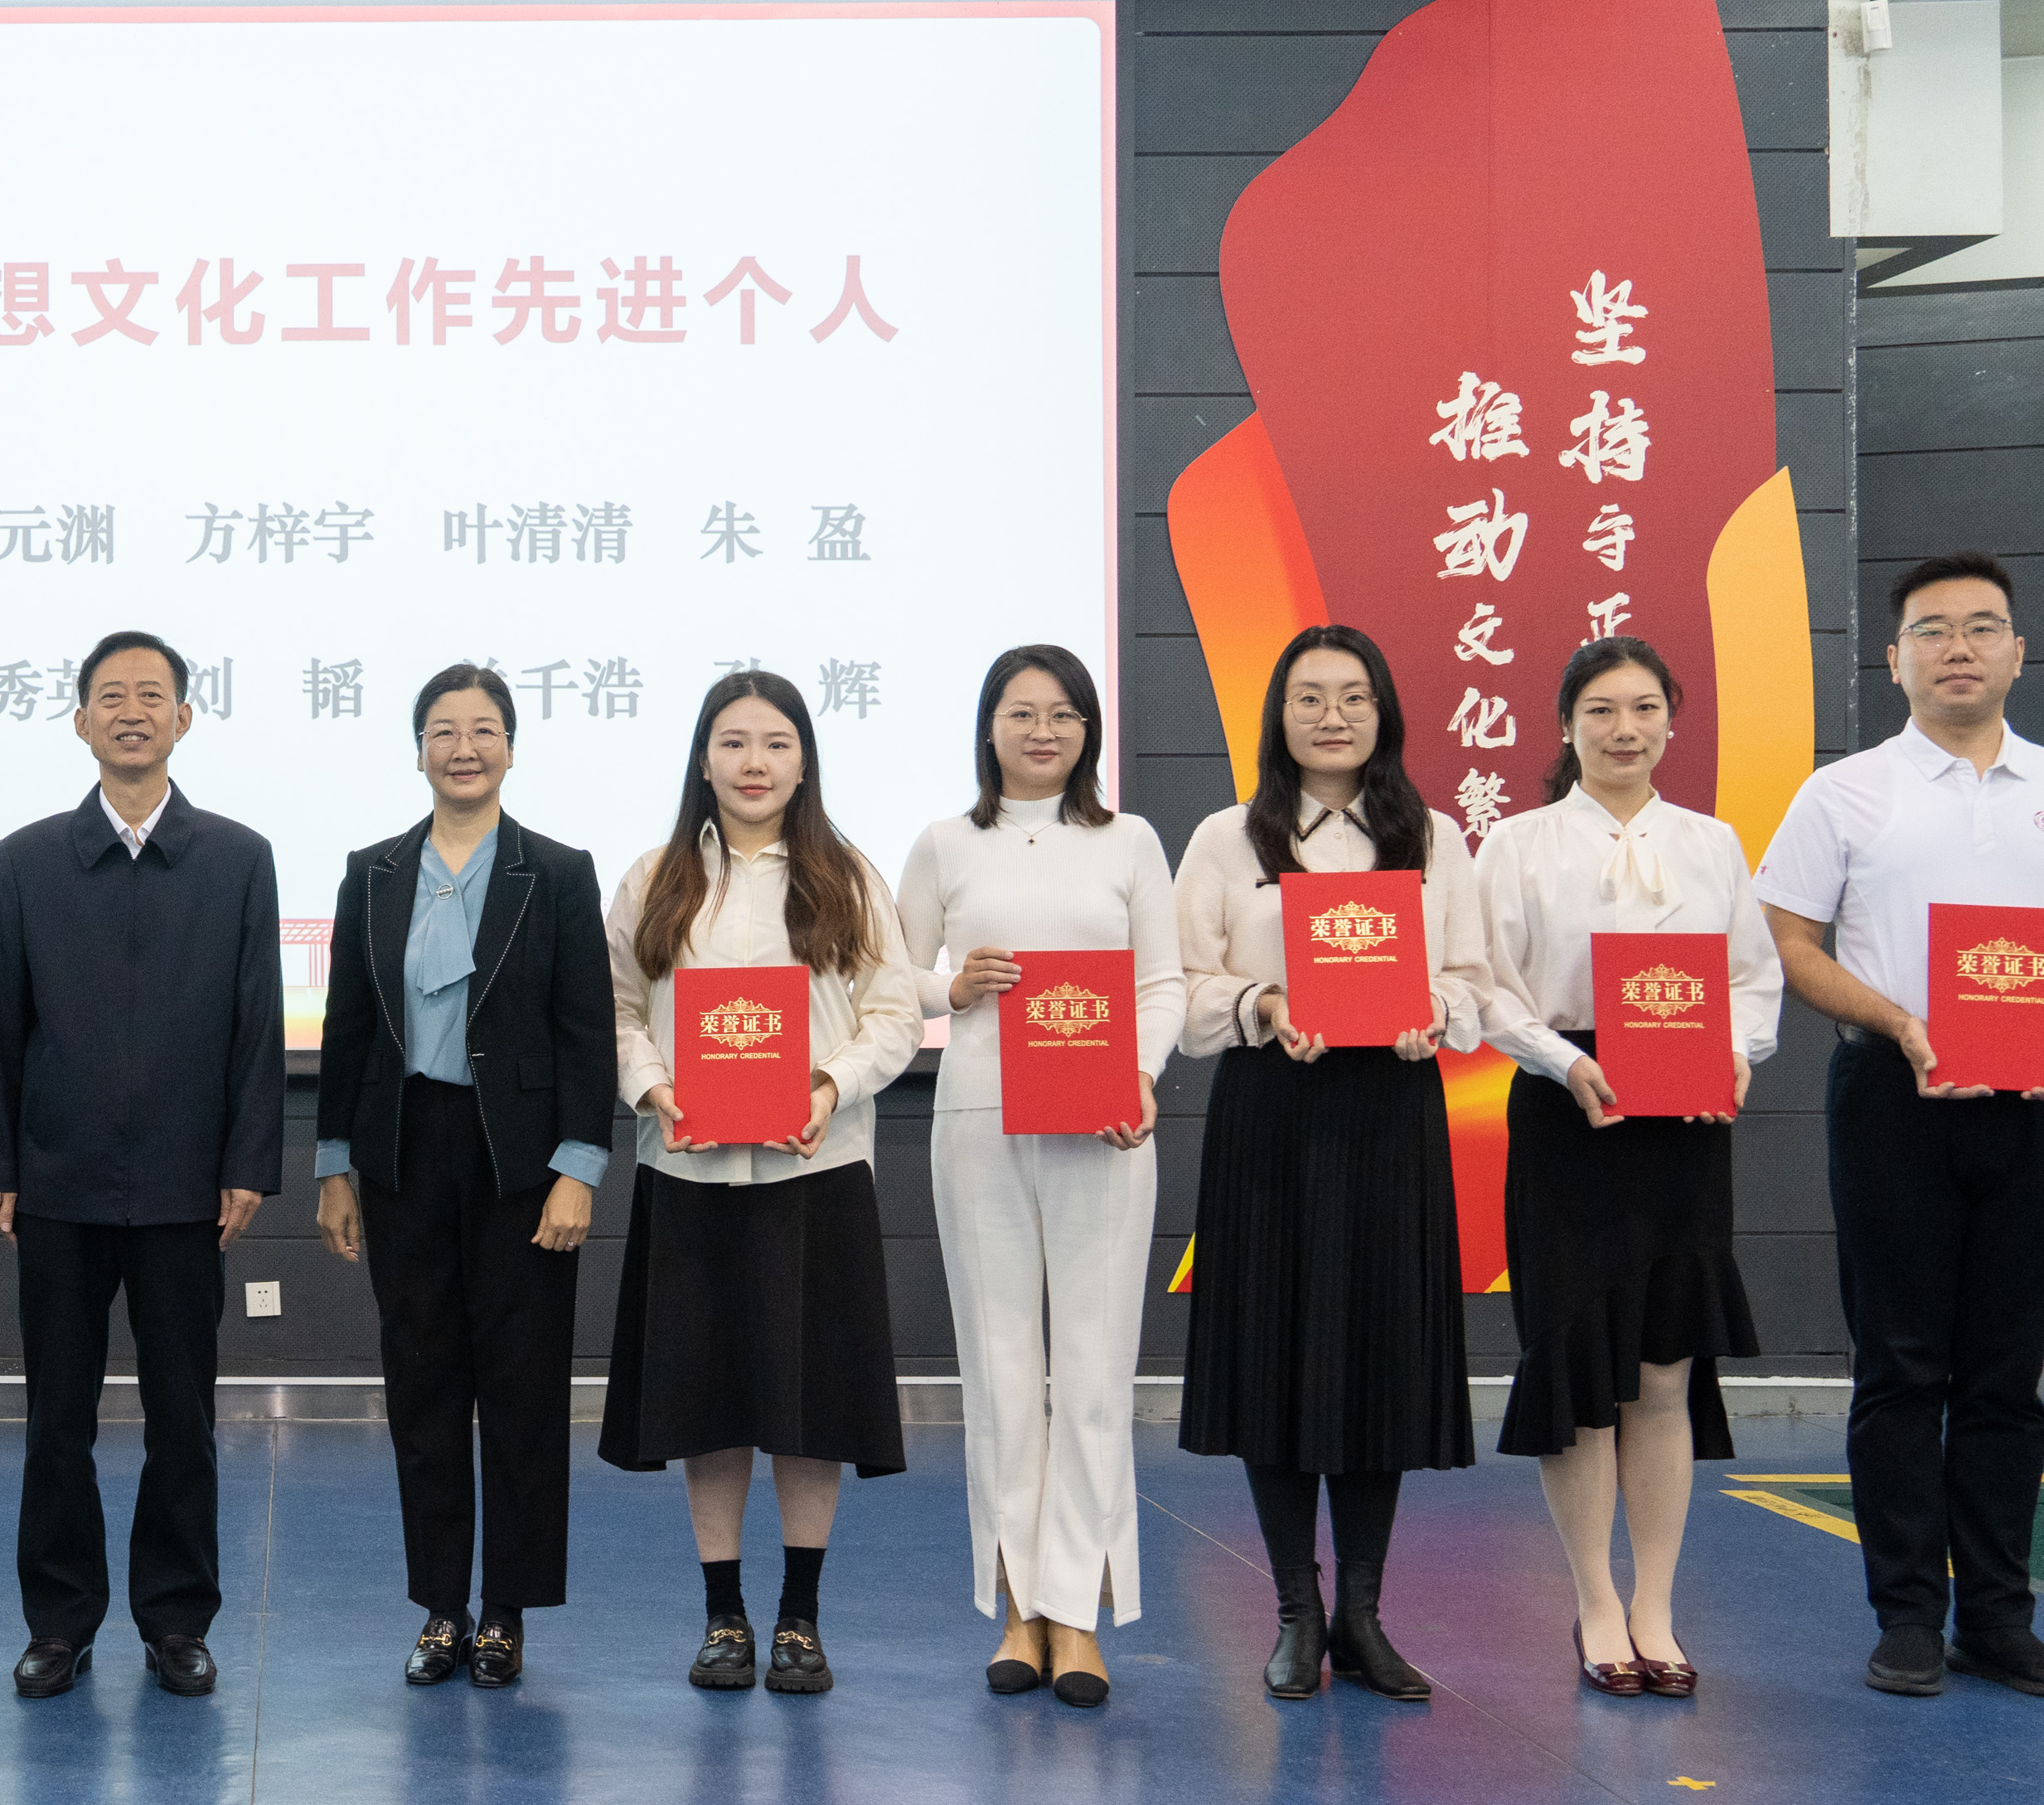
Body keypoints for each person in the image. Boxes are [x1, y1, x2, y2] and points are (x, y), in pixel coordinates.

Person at [1755, 552, 2044, 1702]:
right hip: (1894, 1096)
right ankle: (1906, 1616)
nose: (1958, 648)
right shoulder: (1844, 792)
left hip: (2042, 1101)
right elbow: (1788, 941)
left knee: (2004, 1372)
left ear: (2017, 652)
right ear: (1893, 659)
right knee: (1898, 1364)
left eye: (1982, 627)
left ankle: (1997, 1617)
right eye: (1931, 630)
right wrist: (1897, 1020)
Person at [1171, 624, 1496, 1703]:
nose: (1332, 716)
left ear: (1383, 712)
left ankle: (1362, 1612)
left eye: (1353, 696)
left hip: (1388, 1112)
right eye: (1308, 696)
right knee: (1274, 1351)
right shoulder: (1228, 838)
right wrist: (1264, 1003)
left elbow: (1471, 978)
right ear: (1278, 716)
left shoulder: (1431, 835)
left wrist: (1430, 1010)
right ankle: (1294, 1611)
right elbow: (1184, 983)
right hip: (1271, 1113)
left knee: (1378, 1355)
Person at [0, 632, 284, 1701]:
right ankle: (58, 1623)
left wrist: (247, 1163)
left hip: (188, 1185)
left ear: (184, 718)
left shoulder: (237, 857)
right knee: (55, 1419)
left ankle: (177, 1619)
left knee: (182, 1418)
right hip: (58, 1181)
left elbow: (257, 1023)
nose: (132, 711)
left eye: (153, 695)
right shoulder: (26, 858)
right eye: (111, 696)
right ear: (81, 721)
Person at [600, 671, 918, 1697]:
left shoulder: (846, 877)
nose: (753, 762)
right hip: (688, 1171)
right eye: (732, 742)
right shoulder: (653, 879)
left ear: (802, 762)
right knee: (709, 1400)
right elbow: (614, 1011)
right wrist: (653, 1087)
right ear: (702, 760)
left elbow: (893, 1016)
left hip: (813, 1172)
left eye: (775, 743)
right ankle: (723, 1616)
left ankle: (799, 1618)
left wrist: (829, 1084)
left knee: (807, 1403)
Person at [1475, 640, 1781, 1699]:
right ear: (1564, 725)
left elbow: (1750, 978)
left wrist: (1731, 1053)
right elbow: (1487, 986)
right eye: (1600, 710)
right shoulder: (1514, 843)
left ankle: (1655, 1603)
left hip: (1683, 1124)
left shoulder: (1710, 842)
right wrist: (1562, 1061)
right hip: (1570, 1109)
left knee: (1661, 1371)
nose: (1623, 729)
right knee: (1580, 1367)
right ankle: (1595, 1601)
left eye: (1644, 707)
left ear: (1670, 721)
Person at [313, 665, 617, 1690]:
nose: (463, 748)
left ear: (510, 749)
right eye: (442, 730)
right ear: (417, 752)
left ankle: (506, 1611)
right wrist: (334, 1164)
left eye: (483, 729)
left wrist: (578, 1166)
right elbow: (348, 1027)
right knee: (422, 1383)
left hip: (520, 1162)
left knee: (521, 1389)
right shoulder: (371, 871)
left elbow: (585, 1033)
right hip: (403, 1148)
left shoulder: (556, 871)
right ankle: (442, 1606)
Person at [891, 644, 1181, 1711]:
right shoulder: (943, 843)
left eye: (1062, 713)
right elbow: (888, 978)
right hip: (978, 1122)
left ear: (1087, 730)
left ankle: (1079, 1612)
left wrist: (1136, 1075)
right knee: (1000, 1370)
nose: (1042, 730)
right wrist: (951, 987)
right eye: (1021, 712)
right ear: (988, 727)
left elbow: (1161, 982)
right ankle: (1018, 1604)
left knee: (1095, 1376)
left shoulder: (1128, 841)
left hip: (1103, 1125)